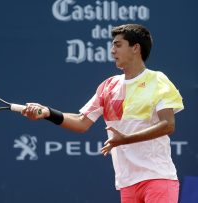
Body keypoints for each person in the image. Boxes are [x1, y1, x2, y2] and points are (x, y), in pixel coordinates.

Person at [22, 24, 183, 203]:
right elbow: (81, 122)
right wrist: (47, 113)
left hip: (157, 178)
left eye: (118, 45)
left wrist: (126, 139)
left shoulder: (158, 80)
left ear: (136, 48)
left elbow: (168, 124)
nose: (112, 50)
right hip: (127, 183)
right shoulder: (109, 85)